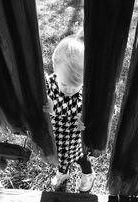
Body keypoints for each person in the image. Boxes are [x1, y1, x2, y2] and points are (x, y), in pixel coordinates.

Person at [43, 29, 95, 192]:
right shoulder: (50, 83)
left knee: (81, 159)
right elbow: (40, 88)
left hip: (74, 138)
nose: (70, 90)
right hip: (57, 135)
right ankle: (62, 173)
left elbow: (99, 112)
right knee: (61, 158)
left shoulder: (84, 96)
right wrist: (48, 103)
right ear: (56, 73)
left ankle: (88, 174)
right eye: (65, 85)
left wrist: (85, 120)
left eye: (76, 86)